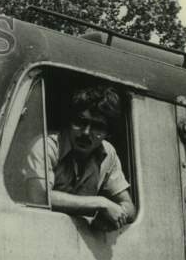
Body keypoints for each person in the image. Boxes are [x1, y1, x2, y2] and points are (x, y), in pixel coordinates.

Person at [22, 85, 137, 230]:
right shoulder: (47, 146)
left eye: (97, 126)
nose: (86, 132)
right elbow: (38, 197)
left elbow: (130, 208)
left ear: (108, 133)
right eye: (80, 122)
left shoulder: (108, 153)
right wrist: (100, 203)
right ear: (69, 121)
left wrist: (113, 216)